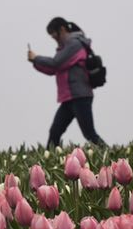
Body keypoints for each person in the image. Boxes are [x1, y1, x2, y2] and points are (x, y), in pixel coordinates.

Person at [27, 17, 105, 148]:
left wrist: (36, 58)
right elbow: (54, 69)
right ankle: (49, 161)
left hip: (80, 96)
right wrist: (35, 62)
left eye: (54, 35)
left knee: (89, 133)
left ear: (62, 29)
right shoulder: (66, 47)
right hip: (69, 98)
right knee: (55, 132)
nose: (54, 39)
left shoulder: (75, 44)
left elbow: (56, 63)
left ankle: (112, 157)